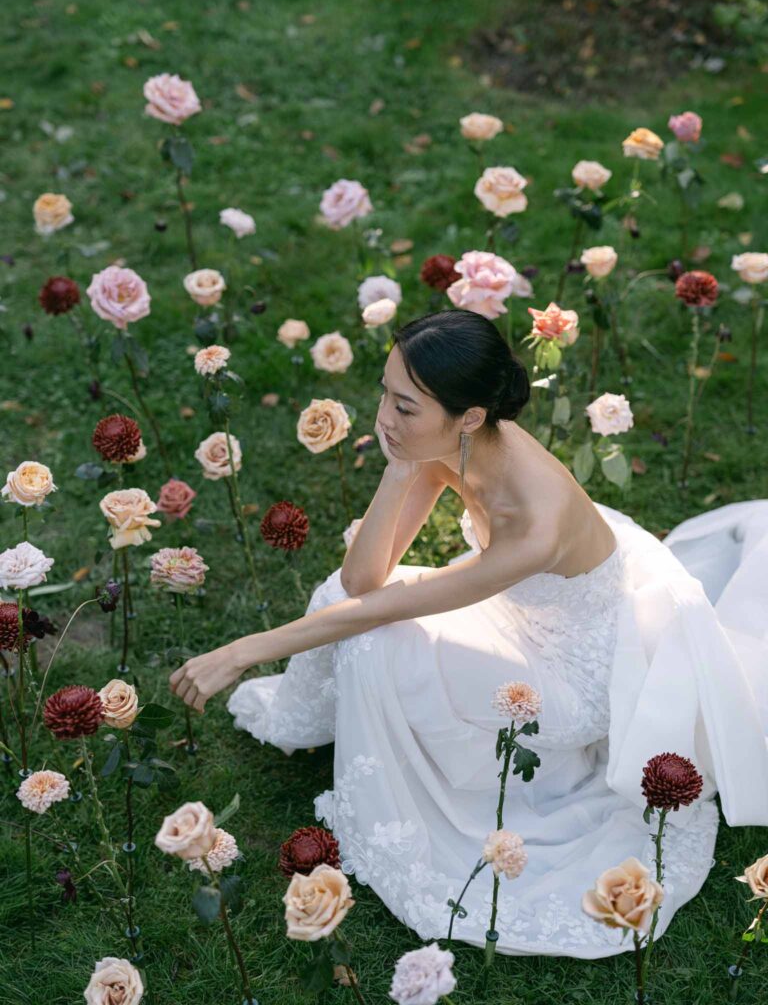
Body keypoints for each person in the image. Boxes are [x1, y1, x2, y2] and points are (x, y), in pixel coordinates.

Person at [170, 309, 768, 959]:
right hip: (516, 617)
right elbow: (363, 580)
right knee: (340, 604)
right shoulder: (445, 441)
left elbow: (379, 612)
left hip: (573, 678)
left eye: (404, 406)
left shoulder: (531, 522)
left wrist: (240, 651)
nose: (385, 418)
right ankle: (346, 733)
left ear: (471, 416)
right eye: (385, 394)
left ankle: (411, 813)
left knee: (372, 639)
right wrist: (401, 470)